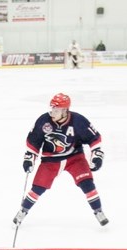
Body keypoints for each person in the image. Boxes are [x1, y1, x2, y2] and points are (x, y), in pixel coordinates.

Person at [13, 93, 108, 227]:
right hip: (50, 160)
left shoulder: (78, 120)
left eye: (56, 110)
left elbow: (95, 139)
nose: (52, 112)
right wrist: (29, 159)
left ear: (65, 111)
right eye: (52, 109)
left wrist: (97, 156)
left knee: (87, 184)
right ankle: (23, 211)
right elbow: (34, 142)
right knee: (37, 188)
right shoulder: (43, 121)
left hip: (74, 157)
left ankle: (98, 211)